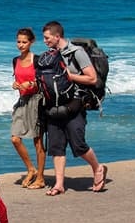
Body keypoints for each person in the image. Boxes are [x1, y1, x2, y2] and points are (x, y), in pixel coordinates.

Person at [40, 21, 108, 196]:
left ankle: (97, 168)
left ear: (57, 36)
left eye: (47, 38)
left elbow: (92, 79)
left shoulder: (77, 53)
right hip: (54, 104)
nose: (45, 41)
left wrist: (69, 76)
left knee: (78, 145)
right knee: (56, 146)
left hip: (75, 103)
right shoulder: (49, 55)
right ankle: (59, 184)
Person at [10, 28, 46, 189]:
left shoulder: (37, 60)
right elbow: (17, 79)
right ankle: (31, 169)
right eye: (19, 41)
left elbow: (44, 83)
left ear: (31, 42)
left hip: (36, 101)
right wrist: (15, 85)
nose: (21, 45)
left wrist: (31, 84)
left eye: (24, 42)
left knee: (37, 141)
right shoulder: (15, 60)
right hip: (22, 101)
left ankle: (40, 177)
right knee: (15, 139)